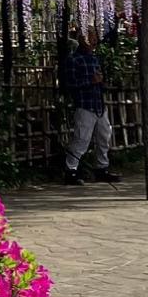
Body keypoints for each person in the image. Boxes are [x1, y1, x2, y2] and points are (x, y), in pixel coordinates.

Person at [61, 26, 121, 186]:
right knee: (81, 139)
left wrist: (102, 83)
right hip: (84, 104)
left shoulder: (94, 58)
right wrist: (91, 81)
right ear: (81, 39)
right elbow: (70, 84)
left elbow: (99, 80)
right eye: (91, 37)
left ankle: (102, 168)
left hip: (99, 104)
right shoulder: (73, 60)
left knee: (104, 137)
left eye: (95, 37)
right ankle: (70, 170)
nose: (94, 41)